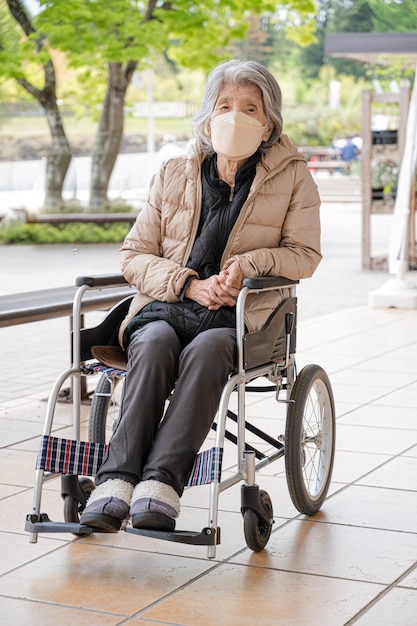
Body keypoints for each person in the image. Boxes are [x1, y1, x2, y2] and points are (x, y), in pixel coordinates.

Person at [80, 59, 322, 533]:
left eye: (249, 108)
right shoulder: (174, 171)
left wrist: (250, 266)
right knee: (152, 344)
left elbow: (305, 255)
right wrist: (188, 283)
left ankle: (160, 485)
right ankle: (114, 482)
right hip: (168, 305)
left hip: (237, 318)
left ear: (268, 122)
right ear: (208, 115)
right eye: (225, 105)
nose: (235, 116)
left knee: (210, 351)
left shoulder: (293, 176)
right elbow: (133, 254)